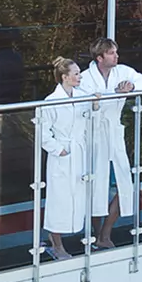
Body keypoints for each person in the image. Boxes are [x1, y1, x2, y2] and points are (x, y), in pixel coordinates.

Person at [78, 37, 142, 249]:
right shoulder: (85, 78)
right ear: (100, 58)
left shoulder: (123, 72)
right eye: (112, 53)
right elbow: (82, 105)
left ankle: (106, 233)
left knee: (125, 185)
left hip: (115, 133)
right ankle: (96, 237)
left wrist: (132, 86)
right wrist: (111, 94)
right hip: (93, 136)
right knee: (96, 187)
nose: (117, 56)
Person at [37, 57, 90, 260]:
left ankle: (74, 234)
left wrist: (94, 104)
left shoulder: (82, 96)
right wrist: (58, 150)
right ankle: (56, 244)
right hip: (62, 155)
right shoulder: (51, 101)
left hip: (79, 152)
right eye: (76, 73)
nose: (79, 76)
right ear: (64, 77)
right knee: (58, 199)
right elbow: (43, 131)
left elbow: (91, 115)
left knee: (77, 195)